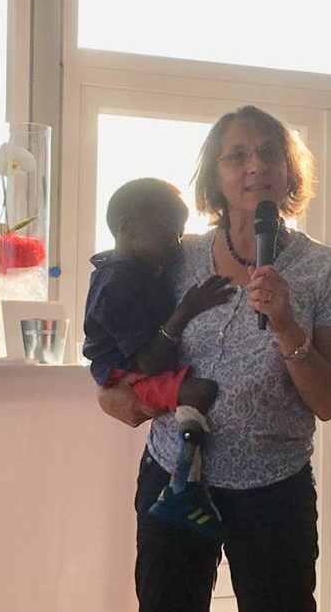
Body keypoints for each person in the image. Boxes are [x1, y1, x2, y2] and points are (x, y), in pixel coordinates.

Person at [97, 105, 331, 612]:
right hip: (173, 477)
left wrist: (285, 323)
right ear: (215, 178)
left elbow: (328, 401)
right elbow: (118, 339)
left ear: (289, 170)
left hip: (272, 488)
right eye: (236, 156)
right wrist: (110, 392)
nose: (255, 166)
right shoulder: (174, 256)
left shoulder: (325, 269)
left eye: (268, 153)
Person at [83, 177, 234, 539]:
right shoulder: (117, 286)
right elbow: (150, 362)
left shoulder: (142, 268)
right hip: (129, 375)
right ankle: (181, 487)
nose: (176, 242)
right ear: (126, 227)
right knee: (199, 392)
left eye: (180, 231)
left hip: (140, 365)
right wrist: (187, 310)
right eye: (167, 228)